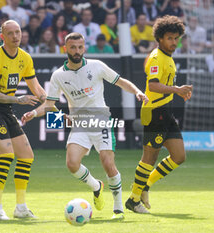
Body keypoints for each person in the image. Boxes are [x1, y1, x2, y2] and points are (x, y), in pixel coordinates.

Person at [21, 32, 148, 219]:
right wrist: (33, 113)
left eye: (80, 47)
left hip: (101, 120)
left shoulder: (96, 66)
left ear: (84, 48)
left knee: (107, 163)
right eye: (73, 47)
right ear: (66, 49)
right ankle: (96, 186)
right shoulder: (59, 75)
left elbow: (120, 81)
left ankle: (118, 208)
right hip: (79, 124)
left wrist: (137, 91)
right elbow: (49, 104)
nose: (77, 51)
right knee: (72, 164)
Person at [0, 20, 50, 221]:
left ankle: (20, 207)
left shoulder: (25, 58)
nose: (16, 36)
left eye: (18, 32)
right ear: (3, 37)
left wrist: (50, 101)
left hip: (5, 109)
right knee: (7, 154)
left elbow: (36, 88)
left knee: (26, 155)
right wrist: (19, 99)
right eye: (11, 33)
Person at [125, 15, 192, 214]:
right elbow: (153, 85)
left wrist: (177, 91)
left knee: (179, 156)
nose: (174, 42)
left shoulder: (167, 57)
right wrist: (177, 89)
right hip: (155, 112)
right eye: (170, 38)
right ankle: (133, 200)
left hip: (166, 111)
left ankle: (145, 185)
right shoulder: (156, 57)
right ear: (160, 38)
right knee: (149, 157)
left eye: (176, 38)